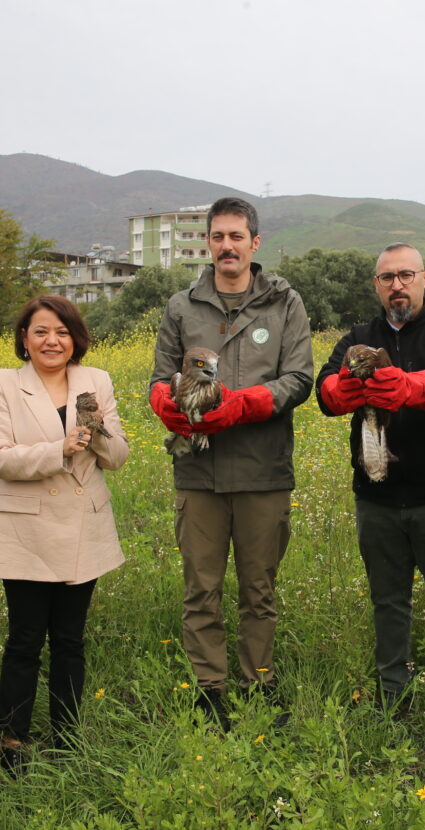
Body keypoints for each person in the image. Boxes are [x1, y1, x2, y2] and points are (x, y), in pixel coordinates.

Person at [148, 197, 313, 730]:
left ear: (254, 243)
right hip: (199, 471)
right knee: (202, 587)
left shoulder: (285, 303)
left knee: (258, 589)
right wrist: (164, 404)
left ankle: (257, 682)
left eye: (236, 236)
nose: (226, 246)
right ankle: (209, 689)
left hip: (264, 468)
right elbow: (159, 377)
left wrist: (243, 405)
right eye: (217, 237)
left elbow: (299, 379)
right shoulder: (181, 306)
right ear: (209, 244)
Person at [316, 243, 425, 733]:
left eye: (405, 275)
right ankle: (393, 694)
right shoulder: (356, 338)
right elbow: (325, 388)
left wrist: (413, 387)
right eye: (387, 278)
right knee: (388, 601)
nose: (397, 285)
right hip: (378, 497)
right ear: (376, 286)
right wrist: (335, 391)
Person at [0, 294, 129, 769]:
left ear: (75, 338)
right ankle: (12, 741)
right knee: (24, 638)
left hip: (85, 524)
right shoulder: (3, 383)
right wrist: (58, 449)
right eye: (41, 331)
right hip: (28, 529)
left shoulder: (95, 381)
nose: (52, 341)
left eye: (62, 332)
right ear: (24, 338)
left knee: (70, 639)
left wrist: (98, 433)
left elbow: (119, 456)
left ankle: (67, 736)